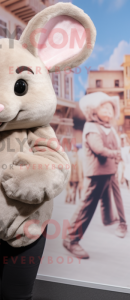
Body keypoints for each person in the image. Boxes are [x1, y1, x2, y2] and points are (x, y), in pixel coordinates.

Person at [63, 92, 128, 259]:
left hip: (109, 171)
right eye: (103, 108)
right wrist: (115, 153)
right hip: (97, 173)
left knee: (112, 200)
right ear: (93, 111)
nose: (108, 111)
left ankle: (115, 222)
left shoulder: (110, 128)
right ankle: (71, 239)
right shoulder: (92, 127)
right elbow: (98, 149)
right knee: (87, 206)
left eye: (110, 108)